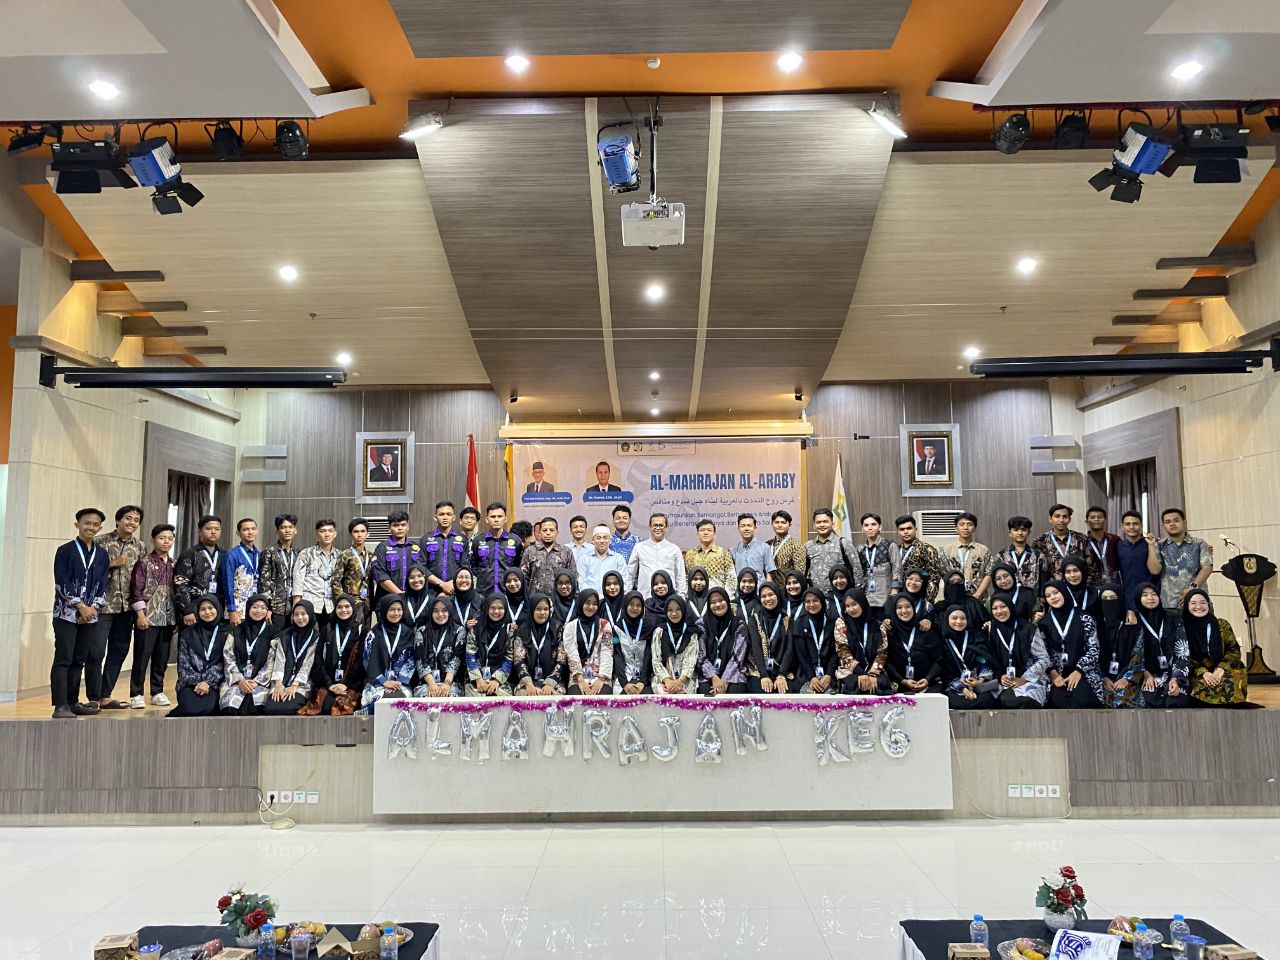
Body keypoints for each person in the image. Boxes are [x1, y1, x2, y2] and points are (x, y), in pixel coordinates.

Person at [51, 507, 111, 718]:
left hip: (90, 615)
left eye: (95, 524)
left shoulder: (102, 554)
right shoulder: (65, 550)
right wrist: (80, 606)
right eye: (87, 523)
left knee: (79, 659)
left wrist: (93, 607)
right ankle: (60, 705)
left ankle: (73, 701)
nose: (91, 527)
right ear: (77, 524)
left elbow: (103, 582)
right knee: (64, 658)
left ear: (100, 528)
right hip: (66, 614)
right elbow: (62, 581)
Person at [90, 504, 145, 711]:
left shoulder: (140, 546)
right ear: (118, 520)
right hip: (102, 606)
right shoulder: (99, 542)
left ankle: (106, 695)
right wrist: (112, 563)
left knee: (119, 651)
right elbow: (89, 571)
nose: (132, 523)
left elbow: (141, 579)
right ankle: (93, 697)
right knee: (95, 652)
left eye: (136, 520)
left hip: (126, 608)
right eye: (128, 518)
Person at [129, 523, 176, 709]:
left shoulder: (174, 564)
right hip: (147, 618)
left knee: (162, 658)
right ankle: (136, 694)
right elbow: (136, 590)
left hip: (167, 618)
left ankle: (157, 691)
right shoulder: (144, 563)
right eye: (162, 538)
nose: (166, 542)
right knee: (141, 657)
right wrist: (140, 615)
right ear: (153, 540)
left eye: (170, 538)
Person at [1040, 580, 1102, 709]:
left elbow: (1093, 649)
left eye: (1056, 593)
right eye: (1048, 596)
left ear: (1064, 592)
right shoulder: (1043, 624)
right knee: (1057, 700)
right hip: (1057, 675)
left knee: (1083, 699)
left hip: (1084, 672)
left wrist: (1078, 671)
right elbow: (1042, 653)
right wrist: (1053, 673)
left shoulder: (1084, 618)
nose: (1053, 597)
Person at [1180, 589, 1248, 706]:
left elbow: (1234, 650)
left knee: (1229, 683)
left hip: (1222, 668)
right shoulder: (1181, 628)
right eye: (1193, 603)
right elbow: (1182, 656)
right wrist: (1203, 672)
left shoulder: (1222, 624)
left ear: (1208, 604)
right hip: (1195, 670)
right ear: (1187, 606)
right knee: (1204, 686)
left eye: (1203, 602)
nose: (1199, 606)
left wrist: (1221, 668)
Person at [301, 594, 367, 714]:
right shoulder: (327, 629)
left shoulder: (361, 631)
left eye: (347, 606)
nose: (343, 610)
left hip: (351, 685)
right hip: (329, 683)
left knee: (340, 707)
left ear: (353, 608)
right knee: (325, 707)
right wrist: (329, 684)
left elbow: (361, 662)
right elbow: (319, 659)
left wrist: (345, 684)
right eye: (339, 607)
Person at [986, 593, 1049, 709]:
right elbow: (987, 660)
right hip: (1003, 683)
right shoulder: (990, 631)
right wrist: (1000, 676)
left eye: (1003, 606)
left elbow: (1043, 659)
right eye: (994, 608)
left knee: (1026, 701)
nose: (999, 611)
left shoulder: (1028, 628)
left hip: (1030, 680)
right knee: (998, 700)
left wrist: (1024, 679)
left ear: (1010, 606)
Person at [170, 594, 226, 717]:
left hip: (214, 684)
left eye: (211, 608)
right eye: (203, 609)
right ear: (197, 612)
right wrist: (198, 682)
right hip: (190, 684)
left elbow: (224, 663)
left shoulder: (226, 633)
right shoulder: (187, 634)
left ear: (217, 608)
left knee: (209, 708)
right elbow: (183, 665)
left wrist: (208, 682)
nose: (207, 612)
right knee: (190, 707)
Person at [219, 594, 276, 715]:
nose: (259, 611)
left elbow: (272, 659)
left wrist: (257, 681)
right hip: (238, 681)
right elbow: (228, 657)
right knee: (231, 708)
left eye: (263, 608)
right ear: (248, 608)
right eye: (255, 607)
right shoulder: (236, 631)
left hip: (261, 682)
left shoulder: (273, 632)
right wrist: (240, 680)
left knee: (256, 707)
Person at [1134, 583, 1187, 708]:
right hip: (1147, 674)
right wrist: (1145, 673)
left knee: (1177, 698)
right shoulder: (1134, 620)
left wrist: (1175, 678)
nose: (1150, 598)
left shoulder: (1173, 617)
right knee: (1150, 698)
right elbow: (1132, 653)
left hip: (1173, 672)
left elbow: (1183, 651)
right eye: (1145, 595)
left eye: (1154, 594)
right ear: (1138, 598)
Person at [262, 599, 318, 715]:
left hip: (302, 684)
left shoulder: (316, 637)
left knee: (288, 708)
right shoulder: (285, 634)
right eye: (296, 614)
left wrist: (295, 686)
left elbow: (308, 664)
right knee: (271, 708)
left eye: (303, 614)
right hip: (282, 681)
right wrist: (278, 685)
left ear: (310, 614)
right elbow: (279, 659)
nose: (300, 618)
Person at [937, 605, 998, 709]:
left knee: (988, 699)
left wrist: (980, 681)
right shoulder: (942, 642)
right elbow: (945, 673)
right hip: (953, 687)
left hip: (977, 685)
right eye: (954, 618)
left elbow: (984, 662)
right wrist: (963, 689)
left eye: (963, 618)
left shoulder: (976, 638)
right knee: (950, 701)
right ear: (947, 619)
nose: (959, 621)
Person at [361, 595, 415, 710]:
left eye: (399, 609)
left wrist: (398, 682)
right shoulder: (373, 633)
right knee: (378, 703)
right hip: (377, 683)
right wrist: (383, 681)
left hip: (401, 684)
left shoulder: (408, 633)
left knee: (401, 702)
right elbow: (367, 660)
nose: (396, 613)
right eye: (392, 609)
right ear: (384, 610)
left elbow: (411, 660)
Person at [1156, 507, 1213, 615]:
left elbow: (1207, 567)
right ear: (1163, 526)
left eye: (1176, 520)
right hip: (1170, 604)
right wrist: (1151, 546)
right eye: (1168, 522)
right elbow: (1154, 570)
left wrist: (1192, 588)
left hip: (1198, 603)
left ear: (1184, 523)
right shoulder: (1159, 546)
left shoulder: (1199, 543)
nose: (1172, 524)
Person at [1096, 583, 1143, 709]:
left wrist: (1126, 678)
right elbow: (1090, 653)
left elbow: (1139, 655)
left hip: (1127, 676)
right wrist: (1103, 677)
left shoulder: (1132, 625)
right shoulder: (1096, 625)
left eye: (1113, 598)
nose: (1108, 602)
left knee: (1124, 698)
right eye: (1104, 599)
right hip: (1102, 677)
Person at [883, 594, 940, 694]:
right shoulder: (889, 631)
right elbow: (887, 662)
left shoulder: (924, 629)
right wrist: (902, 681)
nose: (904, 611)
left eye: (908, 606)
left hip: (926, 684)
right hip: (896, 684)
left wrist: (927, 679)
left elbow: (938, 660)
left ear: (913, 608)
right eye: (899, 607)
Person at [834, 589, 889, 693]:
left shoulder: (877, 624)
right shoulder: (841, 622)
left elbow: (882, 653)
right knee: (854, 685)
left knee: (882, 685)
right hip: (850, 670)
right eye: (847, 606)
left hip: (873, 668)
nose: (851, 609)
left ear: (862, 603)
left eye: (854, 604)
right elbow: (842, 651)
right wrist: (860, 673)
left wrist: (872, 673)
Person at [173, 514, 223, 625]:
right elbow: (180, 584)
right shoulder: (190, 554)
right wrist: (187, 610)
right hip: (194, 610)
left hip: (217, 609)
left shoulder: (224, 554)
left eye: (217, 529)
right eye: (209, 529)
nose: (213, 532)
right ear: (199, 531)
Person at [697, 586, 748, 695]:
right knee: (705, 692)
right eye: (713, 602)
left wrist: (725, 679)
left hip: (733, 674)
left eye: (721, 600)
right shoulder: (701, 624)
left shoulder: (739, 624)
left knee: (737, 691)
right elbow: (701, 655)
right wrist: (714, 677)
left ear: (727, 601)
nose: (718, 605)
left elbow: (738, 655)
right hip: (708, 675)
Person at [561, 588, 613, 695]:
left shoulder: (605, 624)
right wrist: (580, 680)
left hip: (601, 675)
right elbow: (571, 653)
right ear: (581, 603)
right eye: (587, 603)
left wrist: (601, 678)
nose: (591, 607)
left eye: (594, 604)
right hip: (577, 677)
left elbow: (607, 652)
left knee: (603, 697)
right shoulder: (570, 627)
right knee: (577, 698)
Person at [746, 582, 794, 693]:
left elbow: (790, 649)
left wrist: (781, 675)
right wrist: (764, 675)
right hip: (759, 669)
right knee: (762, 693)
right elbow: (756, 647)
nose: (768, 599)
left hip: (782, 669)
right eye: (763, 596)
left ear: (778, 595)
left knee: (786, 693)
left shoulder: (787, 620)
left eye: (771, 594)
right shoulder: (754, 619)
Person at [413, 596, 465, 699]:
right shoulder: (422, 631)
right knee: (426, 699)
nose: (440, 614)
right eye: (436, 611)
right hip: (426, 683)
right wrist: (432, 684)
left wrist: (447, 684)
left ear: (450, 611)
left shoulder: (459, 631)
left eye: (444, 610)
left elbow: (456, 659)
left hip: (452, 682)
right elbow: (420, 660)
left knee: (451, 699)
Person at [1033, 504, 1099, 583]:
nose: (1061, 520)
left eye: (1065, 516)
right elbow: (1038, 570)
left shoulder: (1082, 539)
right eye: (1057, 516)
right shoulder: (1040, 542)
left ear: (1069, 519)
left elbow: (1091, 566)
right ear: (1050, 519)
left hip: (1079, 586)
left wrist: (1086, 586)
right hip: (1053, 588)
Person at [513, 595, 565, 696]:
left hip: (554, 681)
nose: (542, 613)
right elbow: (519, 660)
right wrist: (528, 683)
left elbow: (561, 659)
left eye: (546, 609)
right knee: (523, 696)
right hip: (527, 682)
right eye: (538, 609)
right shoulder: (522, 630)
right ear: (532, 609)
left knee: (555, 697)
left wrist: (550, 683)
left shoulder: (557, 628)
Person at [291, 519, 339, 629]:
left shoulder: (339, 555)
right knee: (311, 636)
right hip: (310, 604)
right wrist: (296, 607)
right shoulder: (306, 554)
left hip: (331, 605)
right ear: (316, 535)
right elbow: (298, 580)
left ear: (335, 534)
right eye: (323, 531)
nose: (327, 534)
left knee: (328, 636)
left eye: (330, 531)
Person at [804, 507, 862, 597]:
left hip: (840, 596)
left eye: (825, 522)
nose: (822, 525)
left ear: (832, 524)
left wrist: (856, 594)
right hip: (817, 598)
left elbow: (857, 570)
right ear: (814, 526)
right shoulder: (808, 546)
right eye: (818, 522)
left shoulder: (844, 543)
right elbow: (804, 572)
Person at [419, 500, 471, 599]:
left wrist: (451, 584)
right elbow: (421, 568)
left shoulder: (463, 540)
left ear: (454, 517)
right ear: (435, 517)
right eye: (441, 514)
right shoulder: (426, 539)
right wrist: (441, 584)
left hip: (455, 590)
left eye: (448, 514)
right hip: (431, 592)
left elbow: (465, 567)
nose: (445, 517)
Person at [467, 593, 517, 696]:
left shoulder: (509, 630)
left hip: (501, 680)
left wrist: (497, 681)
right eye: (492, 608)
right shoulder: (475, 628)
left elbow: (509, 658)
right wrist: (478, 680)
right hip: (475, 678)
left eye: (500, 608)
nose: (496, 611)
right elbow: (470, 655)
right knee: (475, 702)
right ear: (487, 608)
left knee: (502, 702)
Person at [627, 513, 687, 597]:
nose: (658, 528)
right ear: (649, 527)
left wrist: (681, 598)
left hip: (669, 599)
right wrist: (627, 595)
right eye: (655, 525)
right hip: (645, 598)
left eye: (661, 525)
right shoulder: (639, 548)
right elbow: (630, 575)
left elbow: (680, 577)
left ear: (666, 528)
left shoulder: (674, 549)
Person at [650, 595, 700, 694]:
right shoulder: (659, 632)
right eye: (670, 610)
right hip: (663, 678)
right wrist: (667, 680)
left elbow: (691, 660)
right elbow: (656, 660)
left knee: (685, 696)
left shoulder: (691, 632)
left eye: (678, 609)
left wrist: (680, 681)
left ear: (684, 610)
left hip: (686, 678)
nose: (674, 613)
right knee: (664, 696)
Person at [791, 587, 837, 694]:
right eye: (807, 602)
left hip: (830, 674)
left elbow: (835, 653)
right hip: (806, 673)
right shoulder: (799, 624)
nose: (811, 604)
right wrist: (811, 677)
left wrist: (829, 674)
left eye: (815, 600)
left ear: (822, 602)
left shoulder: (831, 623)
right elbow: (801, 655)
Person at [470, 502, 523, 596]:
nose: (496, 520)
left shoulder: (515, 540)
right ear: (487, 519)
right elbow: (474, 565)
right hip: (484, 592)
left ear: (505, 519)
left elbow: (518, 565)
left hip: (507, 592)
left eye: (500, 516)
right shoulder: (478, 540)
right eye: (493, 517)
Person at [371, 509, 425, 600]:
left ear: (408, 526)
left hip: (412, 598)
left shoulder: (415, 548)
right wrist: (400, 594)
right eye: (395, 525)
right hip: (388, 599)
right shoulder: (382, 548)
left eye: (403, 525)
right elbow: (380, 576)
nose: (400, 528)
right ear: (389, 527)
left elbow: (422, 572)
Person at [890, 515, 947, 600]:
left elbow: (934, 578)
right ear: (898, 532)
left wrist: (926, 601)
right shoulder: (895, 550)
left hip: (920, 597)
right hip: (899, 598)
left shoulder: (927, 549)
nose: (905, 532)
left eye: (909, 528)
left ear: (915, 529)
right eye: (902, 529)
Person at [1115, 510, 1161, 615]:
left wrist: (1151, 545)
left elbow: (1155, 570)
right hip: (1128, 599)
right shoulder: (1118, 546)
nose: (1132, 527)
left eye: (1135, 523)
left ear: (1141, 526)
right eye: (1127, 524)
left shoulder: (1152, 544)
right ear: (1122, 527)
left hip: (1151, 597)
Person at [259, 514, 299, 632]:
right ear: (277, 531)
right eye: (283, 527)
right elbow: (264, 582)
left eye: (290, 527)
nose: (287, 530)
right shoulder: (269, 552)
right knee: (274, 638)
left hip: (293, 606)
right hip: (276, 607)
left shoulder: (298, 553)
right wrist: (267, 607)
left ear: (295, 530)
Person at [521, 516, 577, 597]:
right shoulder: (530, 551)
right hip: (535, 600)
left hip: (559, 599)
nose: (548, 533)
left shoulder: (566, 552)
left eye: (551, 530)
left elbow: (573, 577)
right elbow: (523, 578)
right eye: (544, 530)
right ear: (540, 532)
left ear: (557, 532)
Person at [221, 518, 261, 630]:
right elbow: (228, 583)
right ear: (238, 533)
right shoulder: (232, 554)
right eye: (245, 529)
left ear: (257, 531)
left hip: (257, 608)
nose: (250, 532)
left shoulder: (260, 554)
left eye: (253, 529)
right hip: (238, 609)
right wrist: (232, 610)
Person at [332, 517, 375, 621]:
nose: (359, 535)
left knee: (365, 629)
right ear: (350, 535)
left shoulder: (371, 556)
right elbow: (335, 580)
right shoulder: (345, 555)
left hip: (367, 602)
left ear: (368, 534)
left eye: (362, 531)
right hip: (350, 602)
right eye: (356, 532)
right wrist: (342, 601)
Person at [857, 513, 898, 620]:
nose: (870, 528)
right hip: (867, 597)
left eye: (873, 524)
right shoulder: (860, 549)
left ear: (880, 527)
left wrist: (895, 591)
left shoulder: (890, 545)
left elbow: (897, 569)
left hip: (886, 597)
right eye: (866, 525)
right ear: (862, 529)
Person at [943, 512, 992, 599]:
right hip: (953, 598)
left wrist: (977, 595)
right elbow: (944, 574)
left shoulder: (983, 550)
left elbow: (989, 574)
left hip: (978, 599)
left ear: (974, 528)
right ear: (956, 528)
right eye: (962, 524)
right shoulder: (947, 550)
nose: (965, 528)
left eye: (969, 524)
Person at [994, 516, 1048, 595]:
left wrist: (1042, 597)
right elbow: (997, 580)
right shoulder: (1001, 555)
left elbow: (1043, 579)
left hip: (1032, 599)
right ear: (1010, 533)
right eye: (1016, 530)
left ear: (1029, 532)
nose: (1020, 533)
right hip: (1008, 598)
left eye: (1023, 530)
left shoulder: (1038, 555)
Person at [613, 591, 654, 693]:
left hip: (645, 677)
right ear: (625, 605)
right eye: (631, 604)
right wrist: (624, 683)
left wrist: (642, 681)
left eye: (639, 605)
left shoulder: (649, 627)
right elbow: (617, 655)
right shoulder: (617, 628)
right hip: (625, 676)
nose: (635, 608)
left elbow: (649, 655)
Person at [683, 519, 737, 596]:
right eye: (702, 530)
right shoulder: (690, 554)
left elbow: (731, 578)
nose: (706, 533)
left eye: (709, 530)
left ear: (714, 534)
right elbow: (686, 578)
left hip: (718, 598)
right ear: (697, 534)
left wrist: (726, 597)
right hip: (695, 598)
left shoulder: (723, 553)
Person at [579, 523, 626, 594]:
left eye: (605, 538)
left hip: (613, 598)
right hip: (590, 598)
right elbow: (581, 582)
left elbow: (624, 581)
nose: (602, 541)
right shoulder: (584, 559)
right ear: (593, 541)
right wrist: (591, 596)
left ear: (610, 540)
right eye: (598, 538)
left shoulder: (618, 559)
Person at [766, 510, 807, 589]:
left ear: (789, 525)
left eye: (783, 522)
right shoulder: (767, 545)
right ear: (772, 524)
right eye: (776, 522)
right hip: (769, 589)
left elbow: (799, 573)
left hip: (788, 589)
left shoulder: (796, 545)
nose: (780, 525)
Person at [731, 514, 776, 582]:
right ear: (738, 529)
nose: (746, 529)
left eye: (749, 525)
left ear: (755, 528)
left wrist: (767, 587)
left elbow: (769, 574)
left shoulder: (764, 547)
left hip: (759, 587)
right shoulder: (733, 550)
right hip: (740, 587)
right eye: (743, 526)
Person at [1084, 506, 1122, 585]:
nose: (1096, 520)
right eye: (1092, 517)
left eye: (1100, 517)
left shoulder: (1114, 539)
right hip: (1092, 585)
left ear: (1105, 520)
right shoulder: (1083, 542)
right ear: (1086, 521)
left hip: (1114, 584)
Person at [1061, 555, 1103, 626]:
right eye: (1068, 572)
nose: (1072, 575)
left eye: (1075, 570)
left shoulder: (1094, 594)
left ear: (1082, 571)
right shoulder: (1061, 595)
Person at [400, 565, 434, 630]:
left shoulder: (433, 601)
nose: (416, 580)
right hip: (403, 635)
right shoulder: (400, 599)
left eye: (419, 576)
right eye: (412, 577)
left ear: (425, 578)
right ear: (407, 580)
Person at [448, 567, 480, 632]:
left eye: (467, 577)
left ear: (472, 581)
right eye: (460, 577)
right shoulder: (448, 602)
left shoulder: (481, 601)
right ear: (455, 581)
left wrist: (475, 625)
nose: (463, 580)